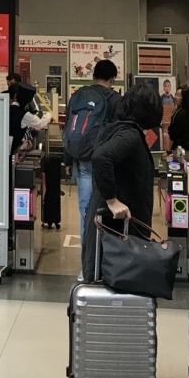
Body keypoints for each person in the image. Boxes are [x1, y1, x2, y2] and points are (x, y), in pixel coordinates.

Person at [80, 82, 162, 282]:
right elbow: (102, 157)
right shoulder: (130, 135)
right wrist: (112, 200)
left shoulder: (118, 130)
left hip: (110, 230)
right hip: (116, 231)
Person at [63, 60, 120, 244]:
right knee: (107, 208)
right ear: (113, 78)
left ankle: (86, 257)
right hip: (106, 161)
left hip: (82, 158)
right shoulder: (115, 99)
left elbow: (68, 128)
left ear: (94, 76)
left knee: (86, 209)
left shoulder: (78, 96)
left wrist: (68, 160)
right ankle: (103, 255)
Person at [166, 85, 189, 156]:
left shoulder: (178, 113)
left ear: (185, 98)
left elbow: (173, 135)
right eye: (175, 94)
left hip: (179, 151)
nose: (175, 97)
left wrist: (168, 151)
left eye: (178, 95)